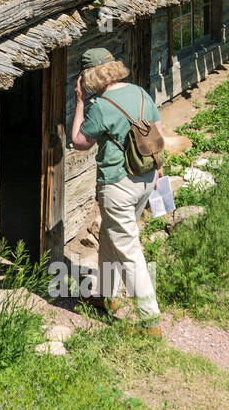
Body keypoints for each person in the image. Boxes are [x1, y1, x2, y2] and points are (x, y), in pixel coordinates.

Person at [69, 47, 164, 337]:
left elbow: (78, 141)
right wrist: (159, 169)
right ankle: (106, 296)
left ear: (90, 76)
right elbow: (157, 132)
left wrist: (80, 102)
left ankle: (150, 322)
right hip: (146, 178)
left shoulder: (100, 106)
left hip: (118, 186)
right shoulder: (140, 93)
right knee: (111, 237)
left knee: (129, 250)